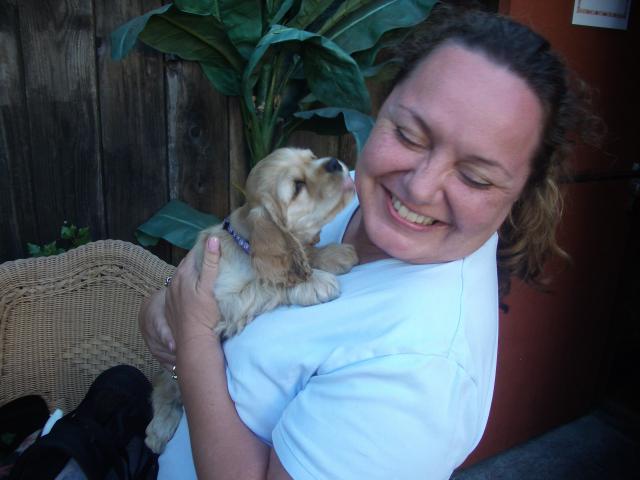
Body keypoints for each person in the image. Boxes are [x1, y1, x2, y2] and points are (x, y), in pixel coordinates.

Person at [139, 4, 598, 479]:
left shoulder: (420, 372)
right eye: (409, 135)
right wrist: (166, 312)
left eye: (476, 177)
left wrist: (193, 340)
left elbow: (197, 322)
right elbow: (203, 281)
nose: (419, 188)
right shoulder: (347, 193)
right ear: (382, 106)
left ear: (523, 192)